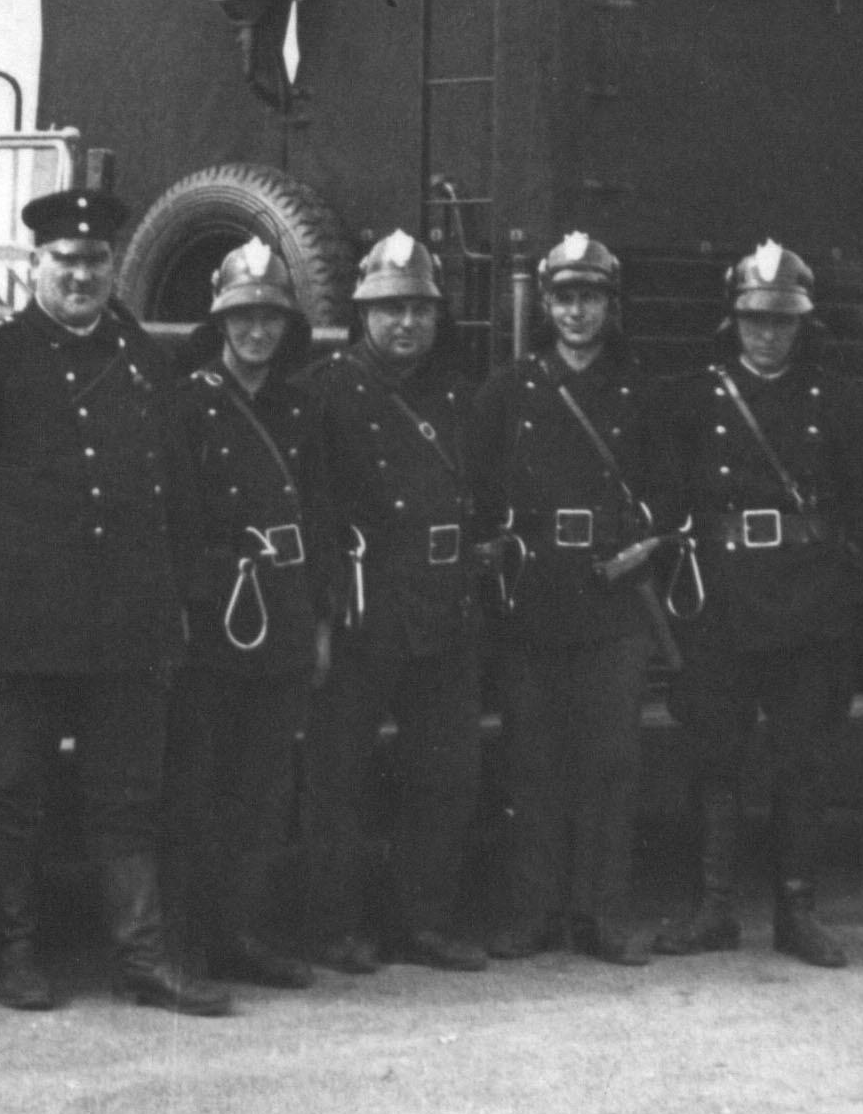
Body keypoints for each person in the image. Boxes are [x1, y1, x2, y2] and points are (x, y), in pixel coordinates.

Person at [0, 186, 230, 1016]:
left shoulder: (147, 364)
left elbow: (182, 496)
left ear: (113, 267)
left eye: (93, 262)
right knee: (15, 789)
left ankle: (142, 960)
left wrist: (177, 598)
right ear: (33, 268)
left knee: (129, 794)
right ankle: (16, 954)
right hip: (22, 622)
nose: (80, 275)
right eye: (64, 261)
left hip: (129, 620)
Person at [647, 239, 863, 969]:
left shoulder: (834, 400)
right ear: (732, 319)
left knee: (800, 757)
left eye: (780, 321)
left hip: (808, 597)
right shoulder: (692, 398)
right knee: (715, 754)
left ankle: (796, 912)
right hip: (719, 597)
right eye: (753, 319)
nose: (766, 334)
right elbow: (665, 493)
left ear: (801, 324)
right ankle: (713, 909)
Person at [465, 232, 661, 966]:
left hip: (612, 601)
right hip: (534, 596)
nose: (577, 312)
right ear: (544, 305)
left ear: (612, 307)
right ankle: (530, 912)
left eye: (592, 298)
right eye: (565, 298)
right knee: (531, 762)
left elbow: (666, 490)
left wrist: (639, 550)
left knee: (610, 763)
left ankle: (601, 914)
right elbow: (479, 491)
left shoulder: (638, 391)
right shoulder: (507, 391)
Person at [300, 230, 490, 974]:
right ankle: (335, 926)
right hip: (360, 608)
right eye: (388, 309)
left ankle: (426, 921)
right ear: (361, 312)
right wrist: (319, 613)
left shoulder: (455, 394)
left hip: (441, 607)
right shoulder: (325, 391)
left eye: (417, 308)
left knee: (443, 775)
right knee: (338, 778)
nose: (405, 323)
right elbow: (312, 511)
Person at [162, 238, 336, 990]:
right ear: (220, 322)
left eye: (268, 317)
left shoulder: (302, 410)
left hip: (287, 615)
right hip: (216, 619)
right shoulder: (189, 406)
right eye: (242, 316)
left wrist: (321, 621)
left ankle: (241, 934)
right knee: (197, 788)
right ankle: (184, 945)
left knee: (264, 793)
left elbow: (324, 520)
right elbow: (170, 519)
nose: (256, 331)